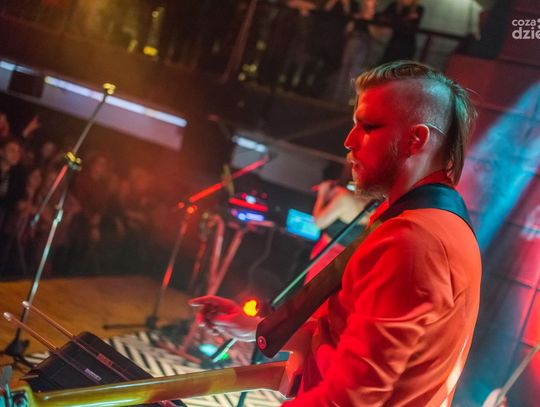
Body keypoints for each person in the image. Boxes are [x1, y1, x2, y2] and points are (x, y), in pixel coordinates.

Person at [190, 60, 481, 406]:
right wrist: (252, 328)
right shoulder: (430, 221)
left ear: (415, 140)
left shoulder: (415, 240)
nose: (349, 141)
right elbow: (344, 339)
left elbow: (350, 398)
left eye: (368, 127)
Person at [306, 161, 371, 283]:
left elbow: (318, 223)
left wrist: (322, 194)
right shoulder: (374, 201)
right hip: (348, 259)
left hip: (329, 257)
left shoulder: (345, 198)